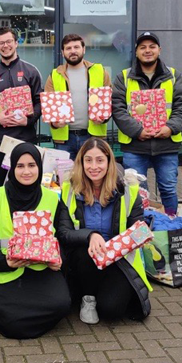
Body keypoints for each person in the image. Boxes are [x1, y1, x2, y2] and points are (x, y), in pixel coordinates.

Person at [0, 143, 71, 339]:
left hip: (41, 270)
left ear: (39, 167)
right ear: (12, 168)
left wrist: (59, 258)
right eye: (20, 166)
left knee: (62, 305)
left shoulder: (52, 198)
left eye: (32, 165)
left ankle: (11, 315)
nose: (26, 171)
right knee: (12, 323)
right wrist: (6, 262)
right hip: (7, 271)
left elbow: (64, 234)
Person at [59, 138, 152, 325]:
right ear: (81, 162)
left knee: (112, 310)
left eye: (100, 160)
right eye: (88, 160)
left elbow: (138, 228)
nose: (94, 166)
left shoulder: (128, 190)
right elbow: (63, 232)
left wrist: (144, 233)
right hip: (84, 257)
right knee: (84, 252)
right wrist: (90, 235)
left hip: (118, 260)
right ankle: (88, 297)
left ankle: (100, 292)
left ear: (109, 162)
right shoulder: (69, 189)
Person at [111, 32, 182, 215]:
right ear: (136, 51)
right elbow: (118, 108)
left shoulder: (173, 76)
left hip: (166, 145)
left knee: (169, 189)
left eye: (152, 46)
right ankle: (140, 224)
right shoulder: (123, 77)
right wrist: (137, 130)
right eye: (143, 47)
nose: (147, 51)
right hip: (135, 145)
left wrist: (170, 128)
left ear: (159, 50)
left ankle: (170, 224)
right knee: (136, 190)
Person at [0, 28, 43, 186]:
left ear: (16, 43)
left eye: (9, 41)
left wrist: (28, 121)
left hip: (26, 137)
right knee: (1, 185)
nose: (5, 46)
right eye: (1, 43)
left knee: (27, 182)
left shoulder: (31, 72)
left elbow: (40, 102)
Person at [44, 34, 112, 160]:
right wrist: (55, 123)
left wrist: (104, 118)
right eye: (68, 48)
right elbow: (49, 108)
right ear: (62, 52)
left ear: (83, 49)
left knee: (93, 176)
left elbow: (109, 101)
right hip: (64, 140)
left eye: (76, 47)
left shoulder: (100, 71)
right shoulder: (54, 75)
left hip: (93, 137)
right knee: (66, 177)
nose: (73, 51)